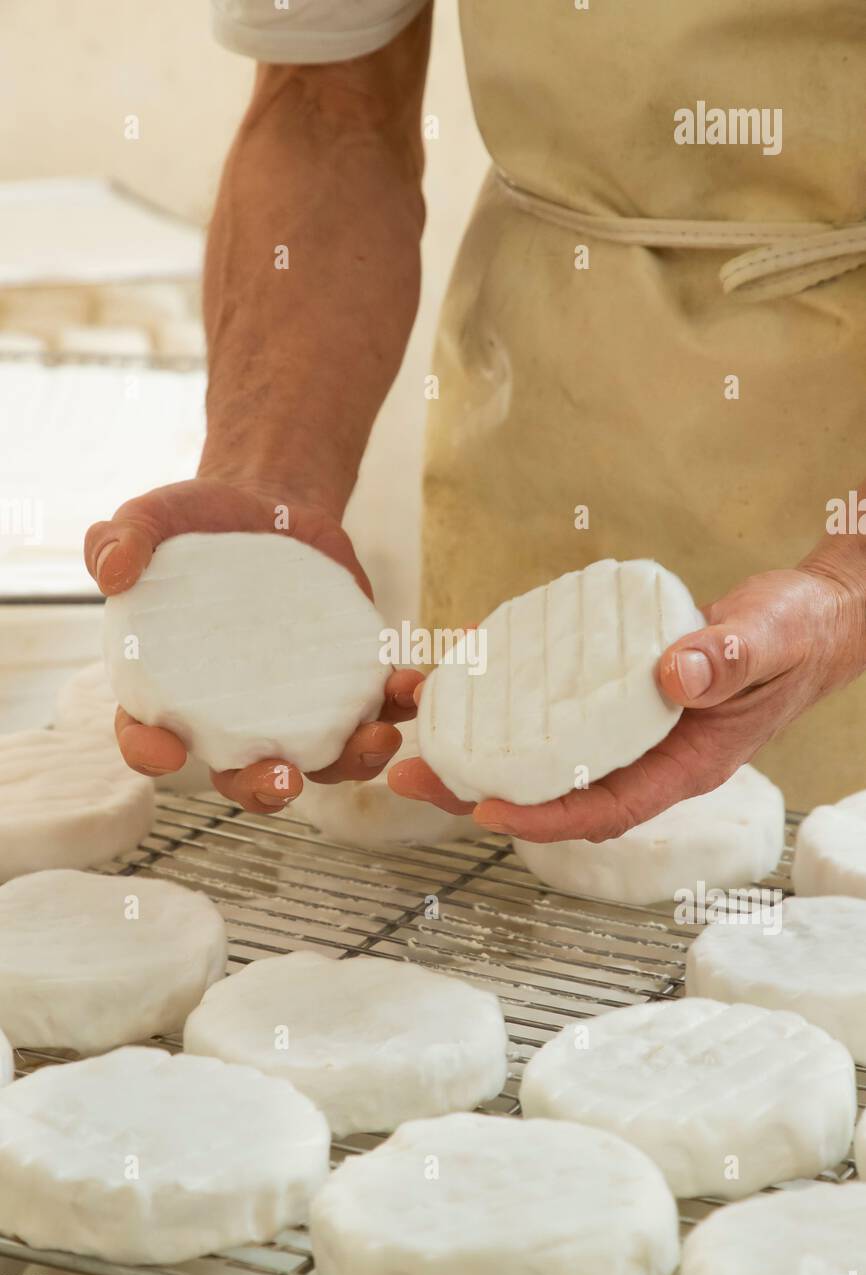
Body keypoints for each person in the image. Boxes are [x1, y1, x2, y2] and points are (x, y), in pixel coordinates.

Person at [85, 1, 866, 843]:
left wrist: (846, 591)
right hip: (538, 386)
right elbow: (326, 107)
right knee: (494, 821)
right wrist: (269, 480)